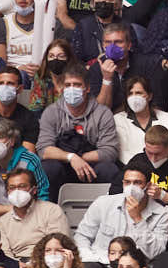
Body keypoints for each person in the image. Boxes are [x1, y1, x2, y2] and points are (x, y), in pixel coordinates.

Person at [36, 61, 120, 196]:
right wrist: (71, 158)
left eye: (77, 85)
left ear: (87, 88)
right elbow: (43, 150)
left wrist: (81, 158)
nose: (72, 89)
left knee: (109, 169)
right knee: (47, 168)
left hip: (90, 168)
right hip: (62, 165)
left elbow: (110, 151)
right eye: (68, 85)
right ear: (62, 88)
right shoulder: (51, 112)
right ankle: (49, 212)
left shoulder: (103, 113)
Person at [73, 164, 168, 267]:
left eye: (137, 183)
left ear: (148, 185)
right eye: (127, 182)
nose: (131, 187)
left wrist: (138, 219)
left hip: (134, 267)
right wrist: (90, 258)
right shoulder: (103, 203)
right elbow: (82, 236)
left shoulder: (162, 213)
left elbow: (155, 252)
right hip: (100, 262)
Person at [0, 166, 70, 261]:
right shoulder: (2, 222)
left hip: (47, 262)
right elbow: (5, 254)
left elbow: (58, 245)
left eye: (22, 186)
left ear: (34, 190)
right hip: (17, 267)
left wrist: (34, 264)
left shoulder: (52, 210)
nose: (17, 191)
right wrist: (17, 266)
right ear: (7, 193)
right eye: (12, 188)